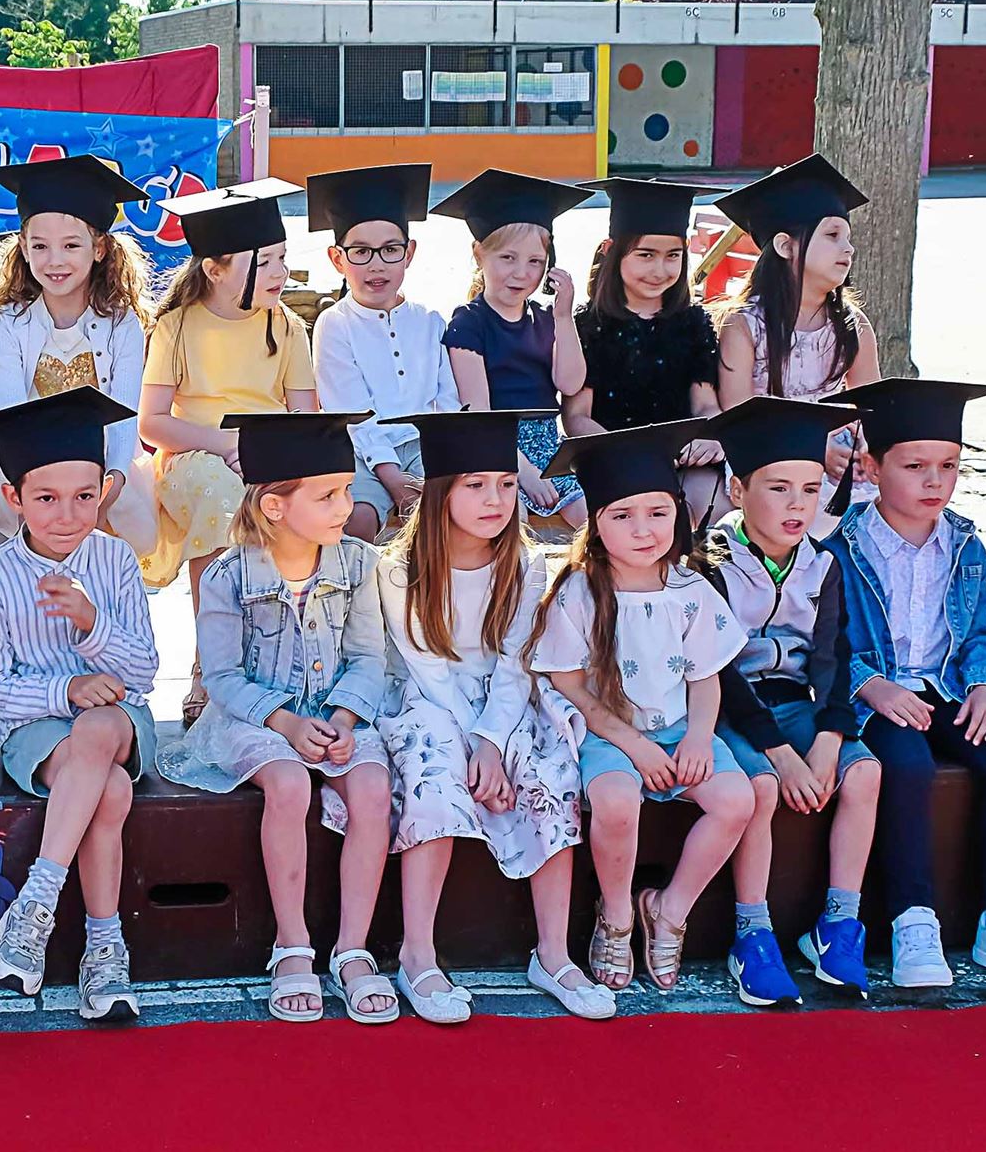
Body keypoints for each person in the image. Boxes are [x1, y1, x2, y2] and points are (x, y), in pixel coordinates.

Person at [829, 378, 986, 996]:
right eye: (915, 467)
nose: (934, 481)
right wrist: (870, 686)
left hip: (949, 688)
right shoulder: (840, 549)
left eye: (948, 466)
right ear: (872, 468)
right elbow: (829, 641)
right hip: (878, 696)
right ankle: (912, 919)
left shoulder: (964, 543)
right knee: (906, 766)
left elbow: (981, 632)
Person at [160, 411, 400, 1026]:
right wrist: (286, 724)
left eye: (346, 491)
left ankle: (352, 949)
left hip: (337, 712)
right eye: (328, 496)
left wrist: (346, 719)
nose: (346, 507)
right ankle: (292, 944)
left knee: (373, 787)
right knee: (289, 782)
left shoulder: (359, 565)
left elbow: (367, 657)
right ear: (274, 506)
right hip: (253, 718)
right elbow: (221, 678)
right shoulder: (228, 575)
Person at [372, 410, 606, 1023]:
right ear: (441, 491)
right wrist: (474, 743)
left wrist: (493, 740)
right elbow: (426, 666)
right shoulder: (397, 568)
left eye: (506, 484)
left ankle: (553, 953)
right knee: (434, 774)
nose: (496, 500)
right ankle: (417, 954)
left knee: (551, 768)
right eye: (475, 485)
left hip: (504, 698)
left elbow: (516, 660)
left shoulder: (527, 564)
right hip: (429, 698)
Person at [529, 420, 753, 995]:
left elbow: (705, 678)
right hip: (609, 734)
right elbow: (570, 686)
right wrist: (633, 744)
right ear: (595, 523)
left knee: (736, 799)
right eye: (622, 515)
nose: (643, 529)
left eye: (657, 512)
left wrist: (699, 737)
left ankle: (669, 910)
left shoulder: (690, 589)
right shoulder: (580, 592)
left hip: (678, 728)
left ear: (678, 512)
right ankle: (616, 914)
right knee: (615, 800)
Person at [0, 387, 160, 1020]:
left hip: (124, 723)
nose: (68, 515)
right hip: (34, 733)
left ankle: (36, 904)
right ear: (13, 497)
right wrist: (64, 689)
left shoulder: (116, 560)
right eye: (46, 498)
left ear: (104, 491)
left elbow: (144, 671)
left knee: (99, 725)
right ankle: (104, 949)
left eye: (84, 496)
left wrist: (92, 624)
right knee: (111, 791)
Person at [698, 396, 881, 1000]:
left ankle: (839, 923)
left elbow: (834, 660)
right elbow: (721, 673)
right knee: (762, 787)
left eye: (810, 488)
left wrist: (828, 741)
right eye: (778, 489)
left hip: (798, 703)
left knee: (864, 772)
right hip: (728, 710)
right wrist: (781, 755)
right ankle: (752, 932)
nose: (798, 504)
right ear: (736, 489)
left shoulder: (823, 564)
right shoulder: (709, 566)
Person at [138, 179, 320, 719]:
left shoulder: (287, 328)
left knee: (295, 505)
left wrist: (265, 452)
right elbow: (152, 421)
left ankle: (278, 661)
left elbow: (305, 416)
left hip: (269, 458)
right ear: (215, 270)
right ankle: (211, 663)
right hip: (191, 461)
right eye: (265, 262)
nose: (281, 273)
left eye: (283, 258)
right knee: (223, 503)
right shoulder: (176, 328)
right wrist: (224, 443)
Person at [0, 154, 158, 556]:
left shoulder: (122, 324)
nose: (55, 260)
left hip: (105, 467)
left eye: (71, 245)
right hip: (26, 467)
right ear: (23, 248)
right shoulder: (11, 321)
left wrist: (106, 489)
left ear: (99, 248)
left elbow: (124, 418)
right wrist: (34, 491)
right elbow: (13, 413)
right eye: (40, 246)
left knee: (104, 561)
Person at [710, 155, 880, 522]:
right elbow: (738, 418)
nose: (848, 248)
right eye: (832, 235)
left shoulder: (853, 326)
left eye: (848, 238)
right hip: (765, 455)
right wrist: (813, 448)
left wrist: (866, 446)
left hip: (838, 460)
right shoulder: (744, 326)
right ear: (785, 246)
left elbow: (873, 408)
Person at [306, 163, 462, 544]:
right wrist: (393, 479)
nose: (376, 264)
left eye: (390, 250)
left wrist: (443, 463)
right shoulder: (335, 325)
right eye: (360, 251)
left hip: (426, 447)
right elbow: (353, 414)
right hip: (359, 450)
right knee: (357, 518)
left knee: (454, 508)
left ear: (409, 253)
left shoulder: (430, 322)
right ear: (337, 259)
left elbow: (448, 402)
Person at [437, 170, 596, 528]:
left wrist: (564, 317)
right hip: (495, 449)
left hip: (548, 445)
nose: (522, 273)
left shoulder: (546, 319)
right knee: (511, 519)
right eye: (507, 258)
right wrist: (522, 470)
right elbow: (478, 413)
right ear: (479, 254)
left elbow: (570, 383)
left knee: (592, 519)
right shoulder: (469, 323)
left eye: (535, 261)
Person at [568, 177, 724, 524]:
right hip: (610, 456)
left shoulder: (693, 324)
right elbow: (577, 417)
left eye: (673, 256)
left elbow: (705, 404)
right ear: (612, 250)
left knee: (711, 503)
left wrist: (711, 435)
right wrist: (626, 452)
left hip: (681, 459)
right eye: (645, 255)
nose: (659, 270)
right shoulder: (589, 326)